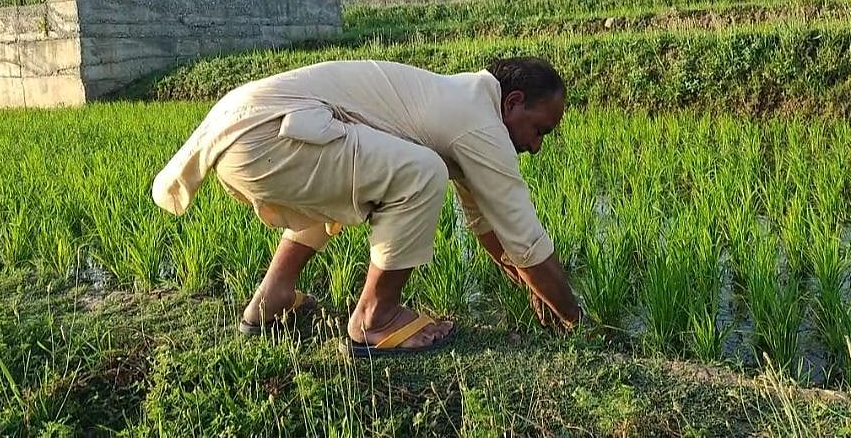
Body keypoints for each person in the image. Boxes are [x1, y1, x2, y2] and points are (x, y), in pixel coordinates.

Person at [152, 57, 582, 356]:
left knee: (354, 180)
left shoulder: (461, 104)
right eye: (539, 129)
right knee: (422, 172)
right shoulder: (480, 126)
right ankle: (376, 319)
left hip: (244, 129)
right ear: (513, 102)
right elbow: (524, 238)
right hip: (268, 132)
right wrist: (575, 318)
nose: (536, 147)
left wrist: (529, 286)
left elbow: (487, 224)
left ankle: (273, 298)